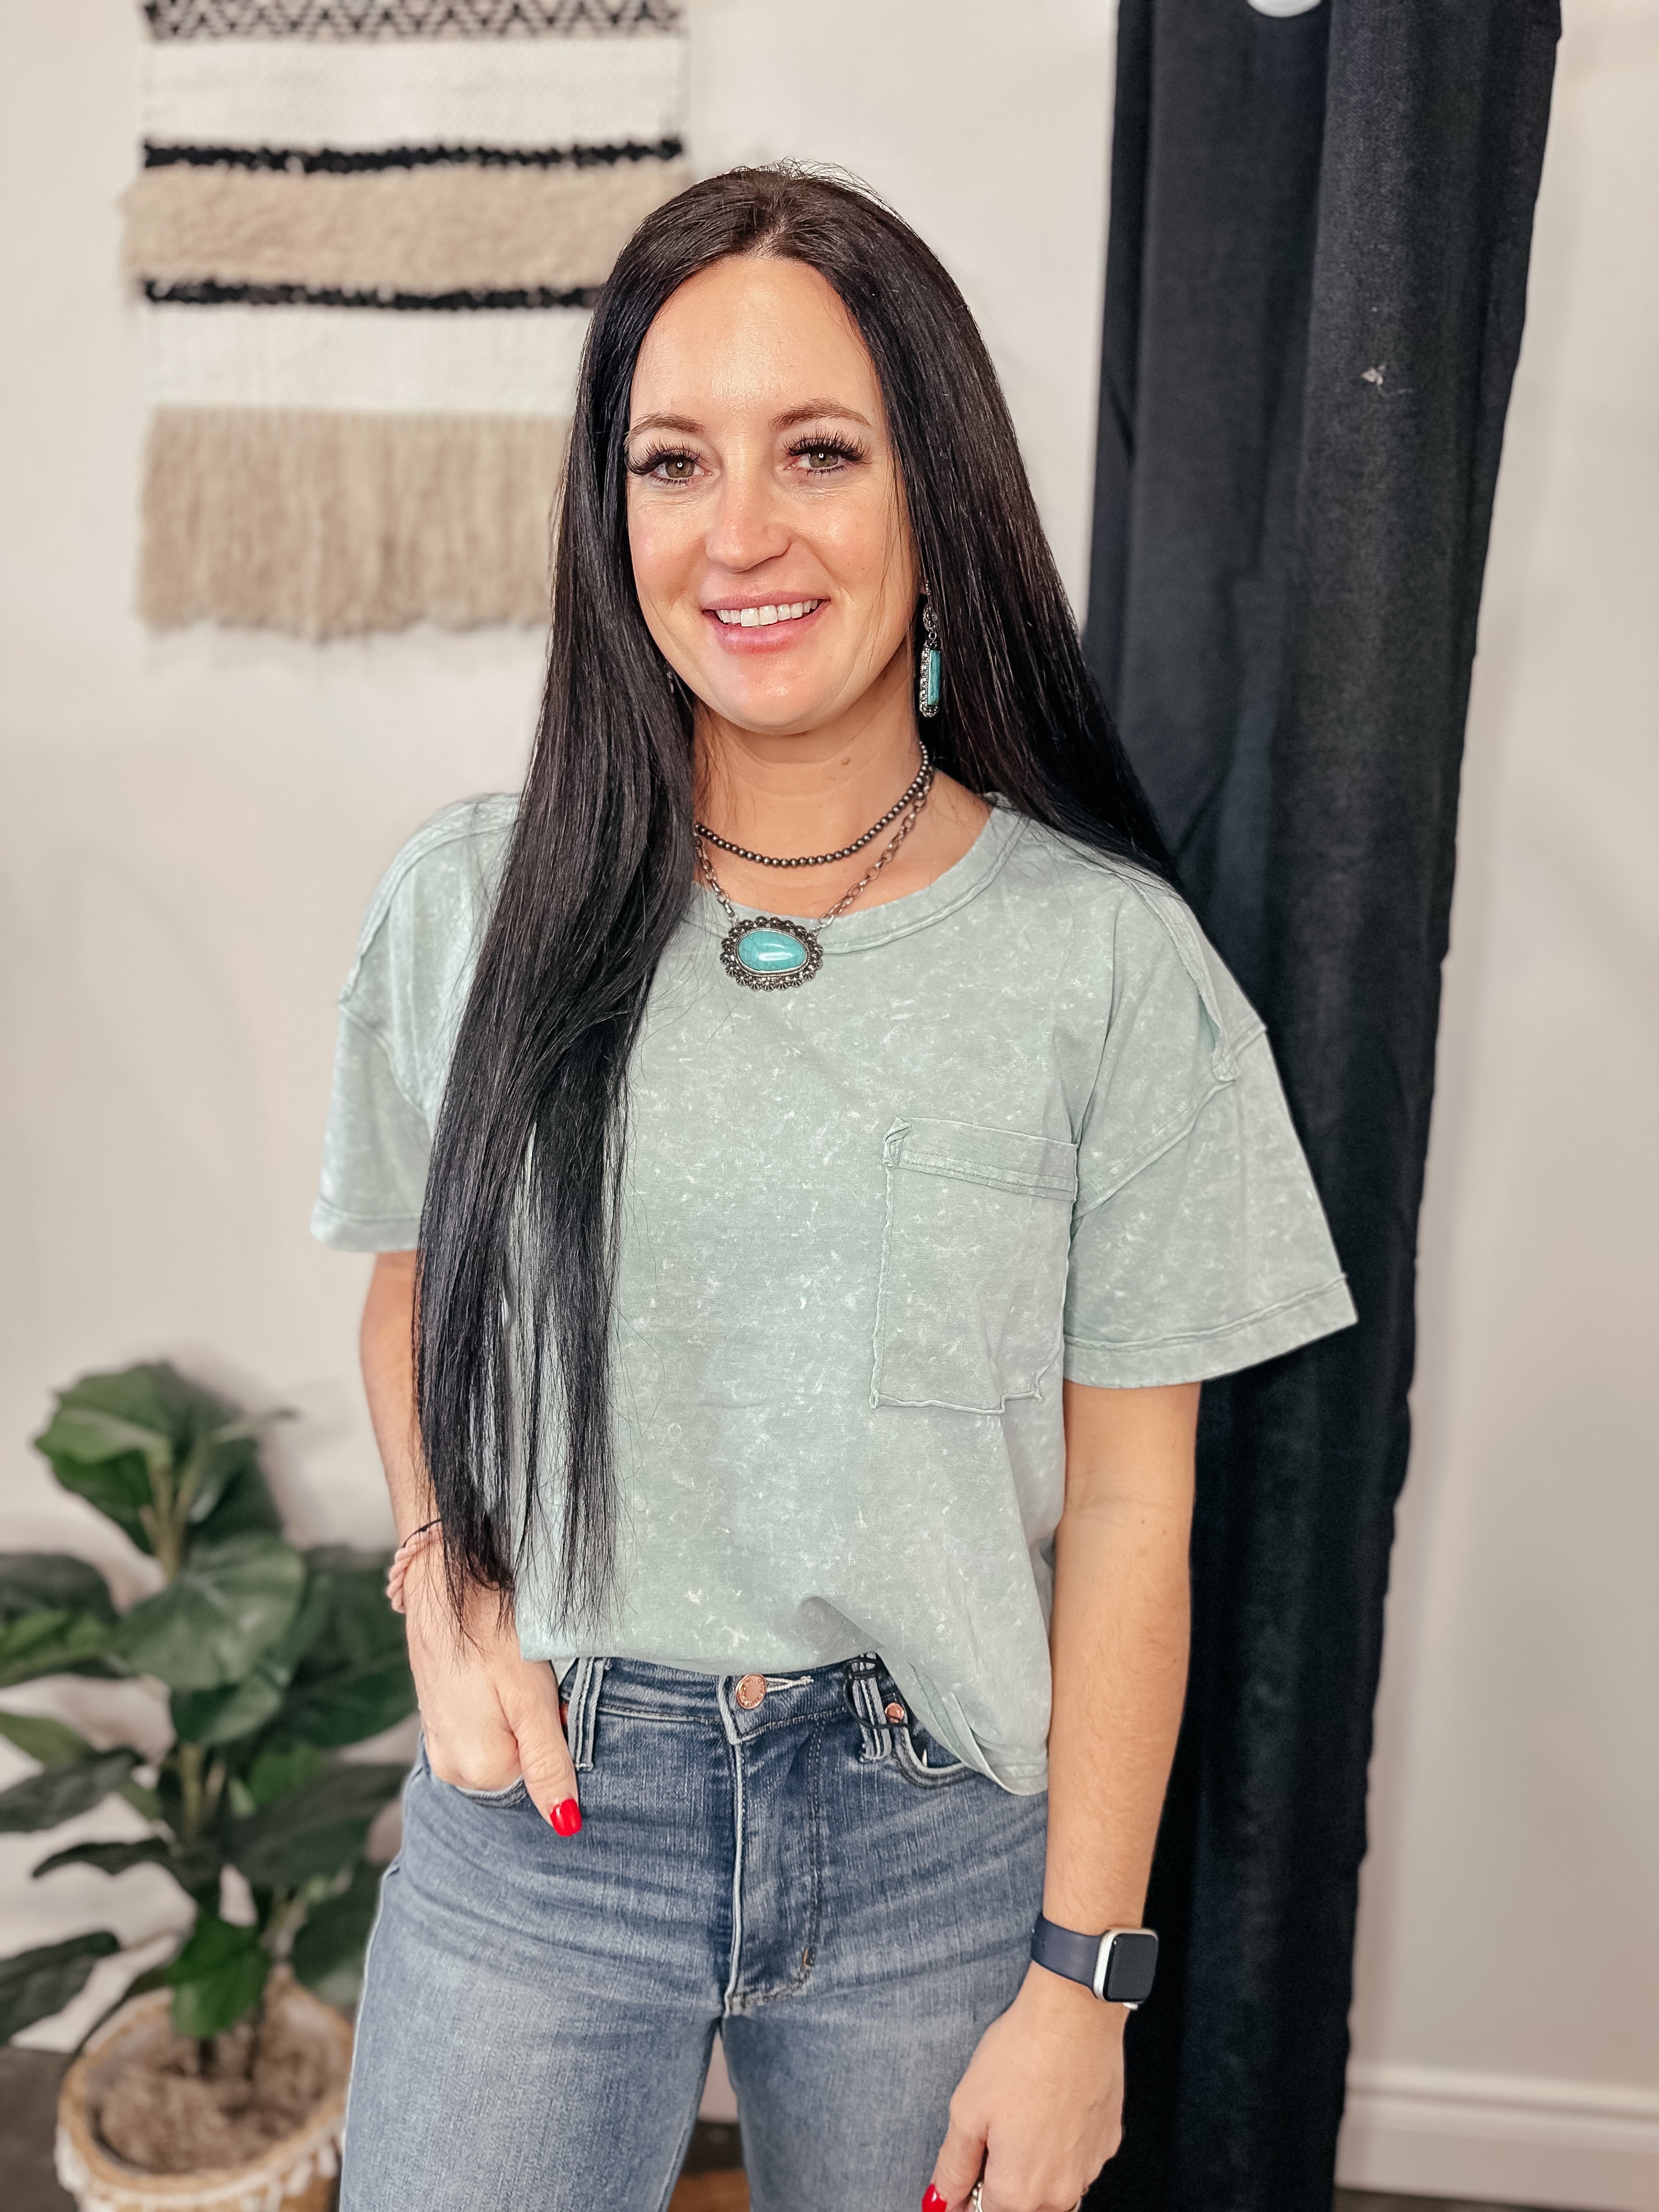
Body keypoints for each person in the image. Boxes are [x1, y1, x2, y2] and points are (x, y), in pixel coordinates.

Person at [313, 166, 1355, 2212]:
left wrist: (1086, 1987)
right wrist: (442, 1582)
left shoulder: (1105, 965)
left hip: (932, 1842)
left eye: (818, 452)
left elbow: (1133, 1510)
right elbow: (413, 1289)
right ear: (612, 515)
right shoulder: (471, 901)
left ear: (933, 492)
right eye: (673, 462)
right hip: (550, 1817)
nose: (741, 534)